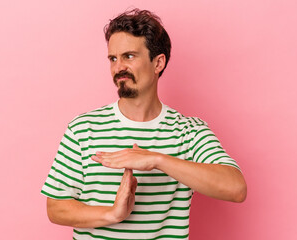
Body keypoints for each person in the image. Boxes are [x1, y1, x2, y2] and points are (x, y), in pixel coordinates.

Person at [41, 8, 247, 239]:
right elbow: (56, 207)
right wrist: (112, 214)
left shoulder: (189, 131)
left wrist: (156, 160)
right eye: (113, 58)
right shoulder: (82, 128)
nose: (118, 67)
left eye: (129, 56)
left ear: (158, 63)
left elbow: (236, 188)